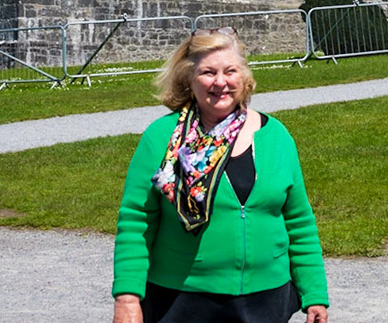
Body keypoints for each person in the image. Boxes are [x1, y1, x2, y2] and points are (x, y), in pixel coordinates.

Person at [113, 29, 329, 323]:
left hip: (267, 298)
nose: (220, 82)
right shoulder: (162, 137)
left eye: (230, 71)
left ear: (244, 76)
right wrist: (127, 297)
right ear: (189, 78)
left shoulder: (276, 136)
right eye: (207, 72)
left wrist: (314, 294)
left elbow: (299, 221)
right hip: (181, 299)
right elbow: (136, 221)